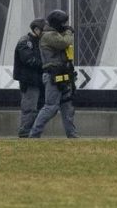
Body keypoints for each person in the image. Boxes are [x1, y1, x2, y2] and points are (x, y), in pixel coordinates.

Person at [28, 10, 79, 138]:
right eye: (63, 23)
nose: (65, 25)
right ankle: (34, 134)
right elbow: (64, 43)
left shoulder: (55, 34)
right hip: (53, 76)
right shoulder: (48, 35)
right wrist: (68, 32)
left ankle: (72, 135)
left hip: (63, 75)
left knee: (67, 107)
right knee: (51, 107)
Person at [15, 18, 47, 138]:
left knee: (40, 108)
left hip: (39, 80)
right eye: (44, 31)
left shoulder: (40, 42)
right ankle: (25, 133)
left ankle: (33, 133)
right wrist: (46, 65)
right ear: (36, 29)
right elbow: (29, 60)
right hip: (29, 81)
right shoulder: (25, 42)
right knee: (30, 108)